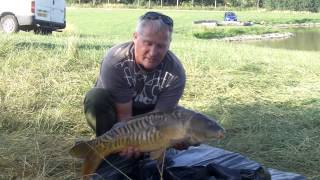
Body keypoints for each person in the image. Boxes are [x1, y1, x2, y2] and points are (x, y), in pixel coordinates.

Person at [83, 11, 186, 179]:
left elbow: (159, 120)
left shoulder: (176, 73)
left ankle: (145, 153)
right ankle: (106, 148)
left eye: (161, 46)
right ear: (135, 37)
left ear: (169, 43)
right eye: (148, 43)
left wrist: (147, 142)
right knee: (96, 98)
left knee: (184, 123)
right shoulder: (116, 61)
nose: (153, 52)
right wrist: (128, 141)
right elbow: (125, 118)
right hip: (118, 113)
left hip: (151, 116)